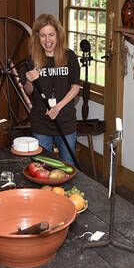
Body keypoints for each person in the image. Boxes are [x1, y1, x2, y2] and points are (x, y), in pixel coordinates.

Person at [23, 14, 81, 165]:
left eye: (51, 35)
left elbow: (75, 88)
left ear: (58, 35)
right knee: (43, 166)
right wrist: (29, 80)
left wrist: (58, 107)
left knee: (68, 165)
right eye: (43, 35)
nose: (47, 40)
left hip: (65, 120)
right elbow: (28, 91)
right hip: (41, 122)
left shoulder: (70, 57)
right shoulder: (31, 60)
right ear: (37, 37)